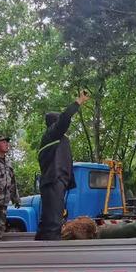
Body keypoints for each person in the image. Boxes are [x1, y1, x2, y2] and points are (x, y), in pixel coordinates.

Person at [35, 90, 90, 240]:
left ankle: (41, 246)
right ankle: (51, 250)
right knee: (53, 221)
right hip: (54, 179)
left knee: (51, 218)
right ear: (55, 123)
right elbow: (65, 118)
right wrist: (78, 101)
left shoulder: (54, 139)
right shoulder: (53, 133)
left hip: (56, 180)